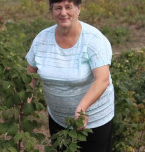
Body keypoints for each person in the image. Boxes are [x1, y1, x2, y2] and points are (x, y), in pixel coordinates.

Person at [25, 0, 114, 151]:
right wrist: (25, 100)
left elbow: (102, 80)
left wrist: (82, 108)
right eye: (58, 8)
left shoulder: (93, 39)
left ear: (78, 9)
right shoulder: (42, 39)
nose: (63, 13)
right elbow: (30, 76)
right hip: (58, 118)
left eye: (68, 7)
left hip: (93, 121)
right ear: (52, 11)